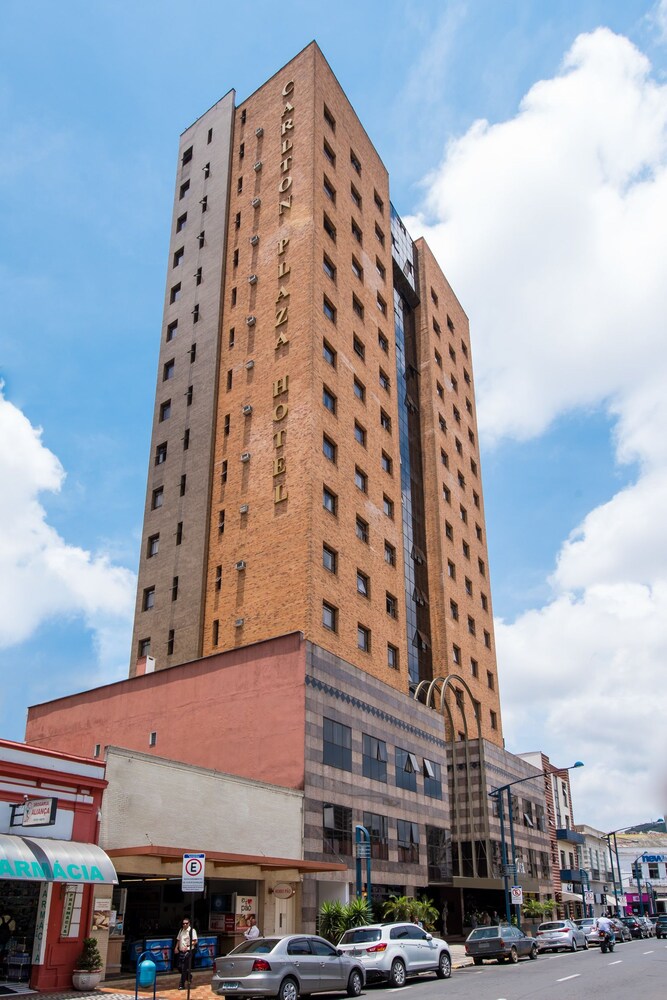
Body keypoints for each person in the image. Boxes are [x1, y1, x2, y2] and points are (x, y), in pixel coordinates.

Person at [175, 917, 198, 990]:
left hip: (188, 951)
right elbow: (178, 939)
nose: (184, 925)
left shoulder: (192, 931)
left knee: (184, 967)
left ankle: (181, 985)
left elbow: (195, 941)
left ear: (189, 923)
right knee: (179, 967)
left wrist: (188, 946)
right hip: (181, 950)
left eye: (186, 923)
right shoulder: (181, 930)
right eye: (183, 923)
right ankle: (189, 976)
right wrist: (176, 947)